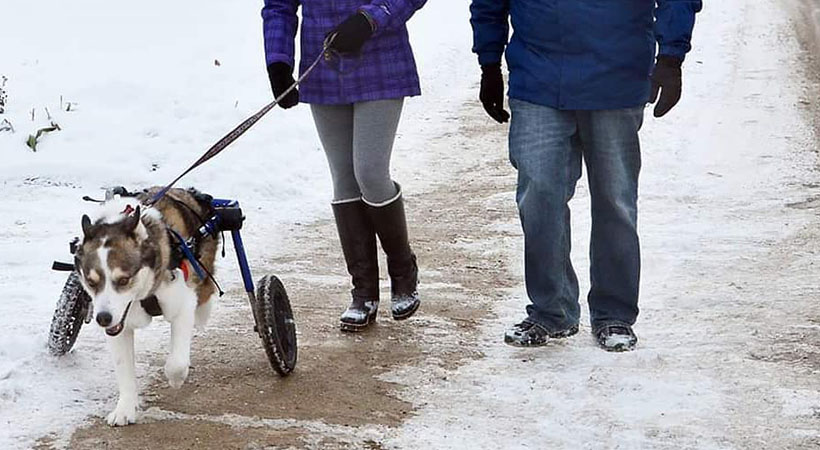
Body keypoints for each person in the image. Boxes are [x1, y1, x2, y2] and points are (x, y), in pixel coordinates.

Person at [470, 1, 702, 351]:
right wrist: (489, 63)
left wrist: (671, 58)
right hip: (538, 80)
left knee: (615, 200)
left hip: (617, 79)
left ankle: (614, 313)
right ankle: (552, 309)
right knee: (538, 195)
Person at [262, 0, 426, 332]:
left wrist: (371, 19)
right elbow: (278, 6)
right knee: (344, 177)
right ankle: (363, 290)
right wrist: (278, 63)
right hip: (323, 63)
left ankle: (402, 269)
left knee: (369, 171)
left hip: (381, 57)